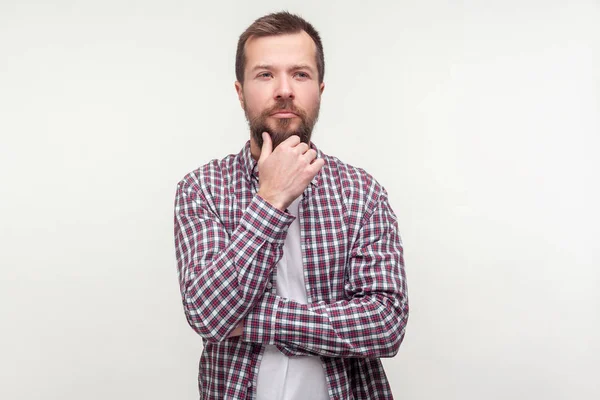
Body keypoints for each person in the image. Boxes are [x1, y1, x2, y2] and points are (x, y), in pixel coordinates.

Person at [174, 11, 409, 400]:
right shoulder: (202, 189)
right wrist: (271, 199)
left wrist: (253, 319)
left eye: (299, 74)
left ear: (320, 87)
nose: (284, 89)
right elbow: (207, 314)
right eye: (265, 74)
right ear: (239, 91)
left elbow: (385, 324)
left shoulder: (362, 192)